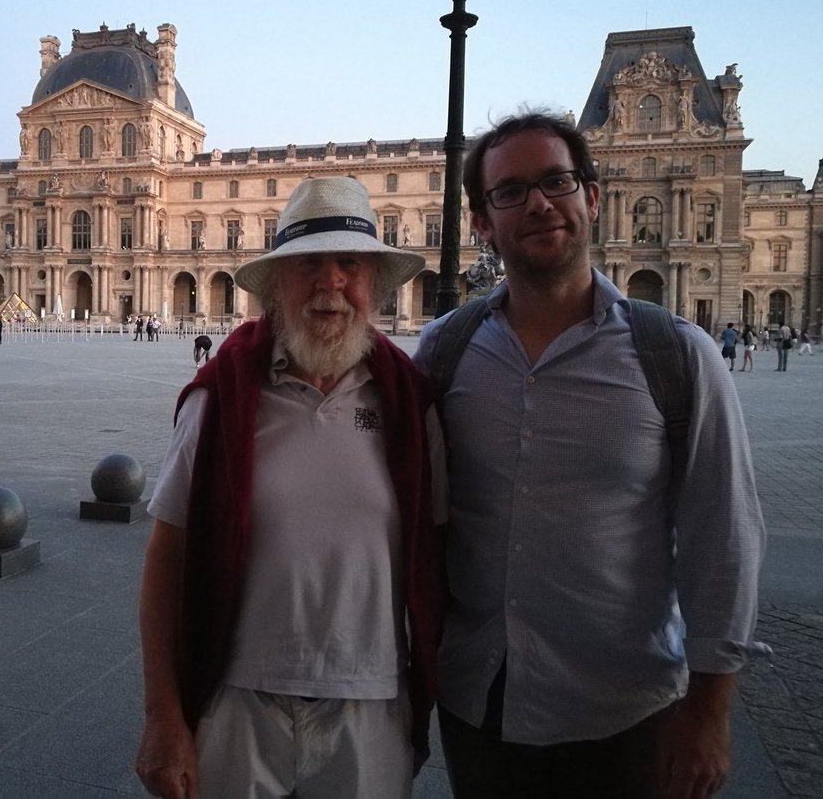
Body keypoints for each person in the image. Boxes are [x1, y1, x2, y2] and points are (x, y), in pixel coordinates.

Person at [413, 112, 765, 799]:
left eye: (556, 181)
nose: (539, 203)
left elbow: (722, 541)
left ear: (592, 198)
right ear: (482, 222)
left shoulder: (678, 356)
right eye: (510, 192)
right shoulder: (444, 352)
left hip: (627, 712)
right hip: (480, 705)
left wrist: (710, 715)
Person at [136, 177, 444, 799]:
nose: (330, 284)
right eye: (308, 264)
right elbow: (166, 562)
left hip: (372, 700)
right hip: (235, 696)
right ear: (278, 284)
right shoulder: (220, 400)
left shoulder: (413, 404)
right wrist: (163, 715)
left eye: (349, 264)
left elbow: (442, 561)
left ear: (375, 284)